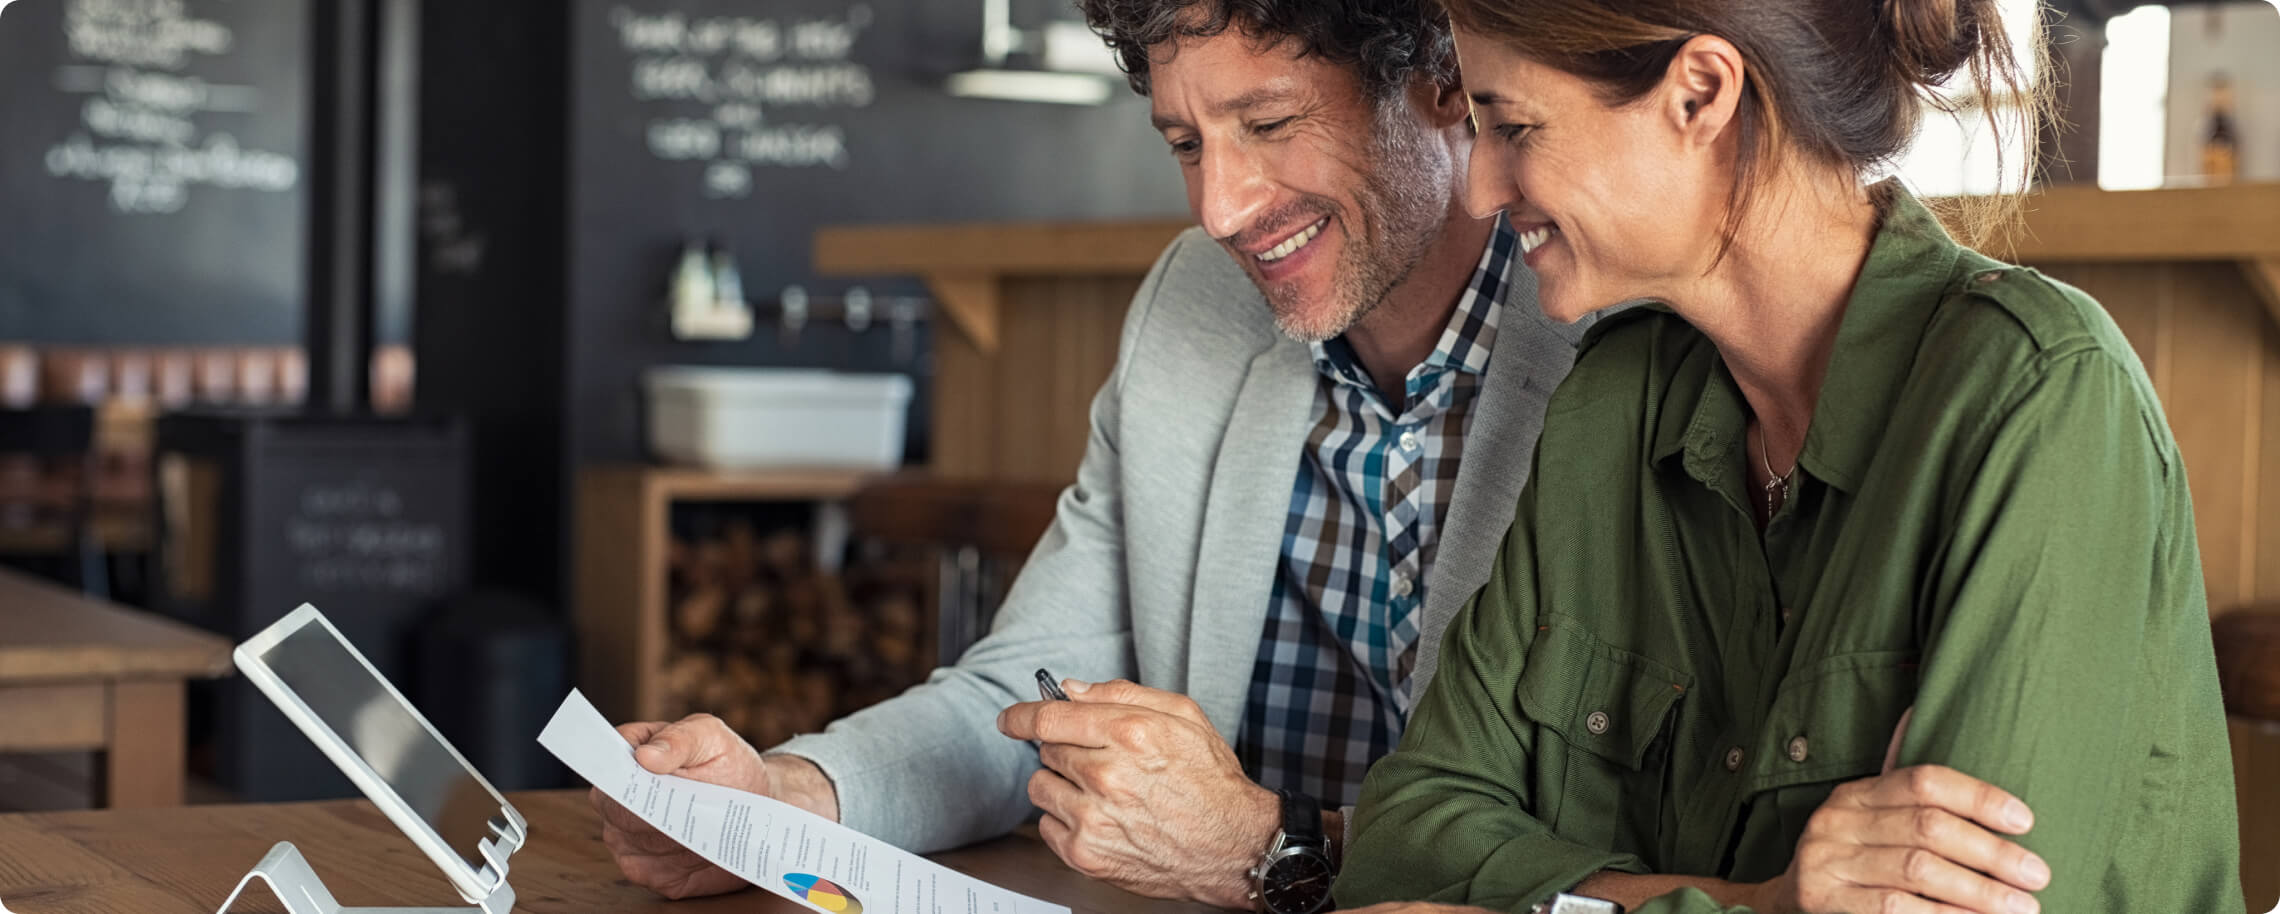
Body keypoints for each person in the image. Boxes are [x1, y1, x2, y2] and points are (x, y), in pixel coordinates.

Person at [594, 2, 1608, 911]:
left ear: (1439, 83)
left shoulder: (1621, 354)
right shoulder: (1192, 302)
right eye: (1184, 141)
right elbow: (1025, 700)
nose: (1220, 208)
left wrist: (1271, 847)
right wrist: (776, 800)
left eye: (1267, 124)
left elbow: (1638, 848)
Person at [1333, 0, 2244, 912]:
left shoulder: (2039, 399)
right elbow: (1402, 847)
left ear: (1700, 94)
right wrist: (1763, 905)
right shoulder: (1611, 403)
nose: (1479, 189)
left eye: (1514, 127)